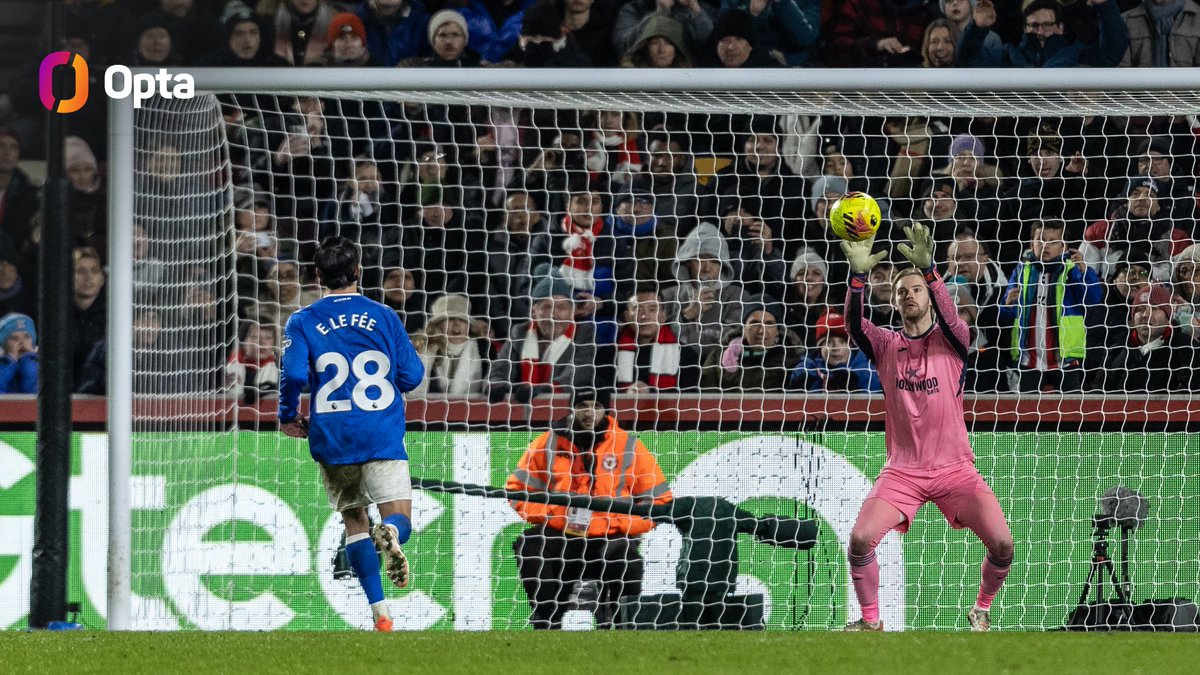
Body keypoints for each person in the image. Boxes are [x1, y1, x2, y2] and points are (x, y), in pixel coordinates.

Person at [840, 223, 1015, 632]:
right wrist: (858, 279)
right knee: (860, 541)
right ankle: (870, 622)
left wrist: (931, 272)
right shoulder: (884, 345)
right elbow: (853, 325)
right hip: (903, 471)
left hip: (955, 469)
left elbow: (953, 316)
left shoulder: (954, 339)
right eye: (902, 291)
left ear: (930, 299)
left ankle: (981, 608)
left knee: (1003, 545)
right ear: (895, 303)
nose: (909, 295)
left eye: (916, 289)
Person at [278, 237, 426, 633]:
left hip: (333, 438)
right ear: (359, 271)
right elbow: (413, 376)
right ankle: (392, 533)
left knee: (354, 522)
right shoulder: (384, 315)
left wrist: (287, 415)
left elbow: (292, 375)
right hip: (380, 434)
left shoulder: (302, 320)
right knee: (397, 516)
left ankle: (381, 615)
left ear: (317, 276)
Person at [506, 387, 673, 629]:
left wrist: (617, 524)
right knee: (530, 544)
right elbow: (516, 490)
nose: (588, 412)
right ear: (572, 409)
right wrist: (553, 516)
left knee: (627, 559)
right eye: (582, 405)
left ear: (605, 410)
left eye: (595, 406)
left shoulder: (628, 444)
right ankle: (546, 620)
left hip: (611, 537)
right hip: (564, 535)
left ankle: (621, 624)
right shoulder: (549, 441)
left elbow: (660, 501)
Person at [999, 220, 1103, 393]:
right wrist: (1007, 305)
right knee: (1028, 414)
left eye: (1053, 241)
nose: (1045, 245)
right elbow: (1005, 314)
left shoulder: (1072, 270)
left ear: (1063, 246)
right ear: (1031, 244)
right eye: (1040, 240)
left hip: (1065, 358)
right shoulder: (1021, 271)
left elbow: (1093, 299)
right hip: (1029, 360)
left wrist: (1084, 271)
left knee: (1071, 412)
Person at [0, 312, 38, 395]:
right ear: (4, 344)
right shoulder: (2, 366)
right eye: (14, 338)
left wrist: (29, 361)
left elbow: (32, 392)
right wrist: (9, 363)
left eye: (26, 337)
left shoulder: (42, 365)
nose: (21, 342)